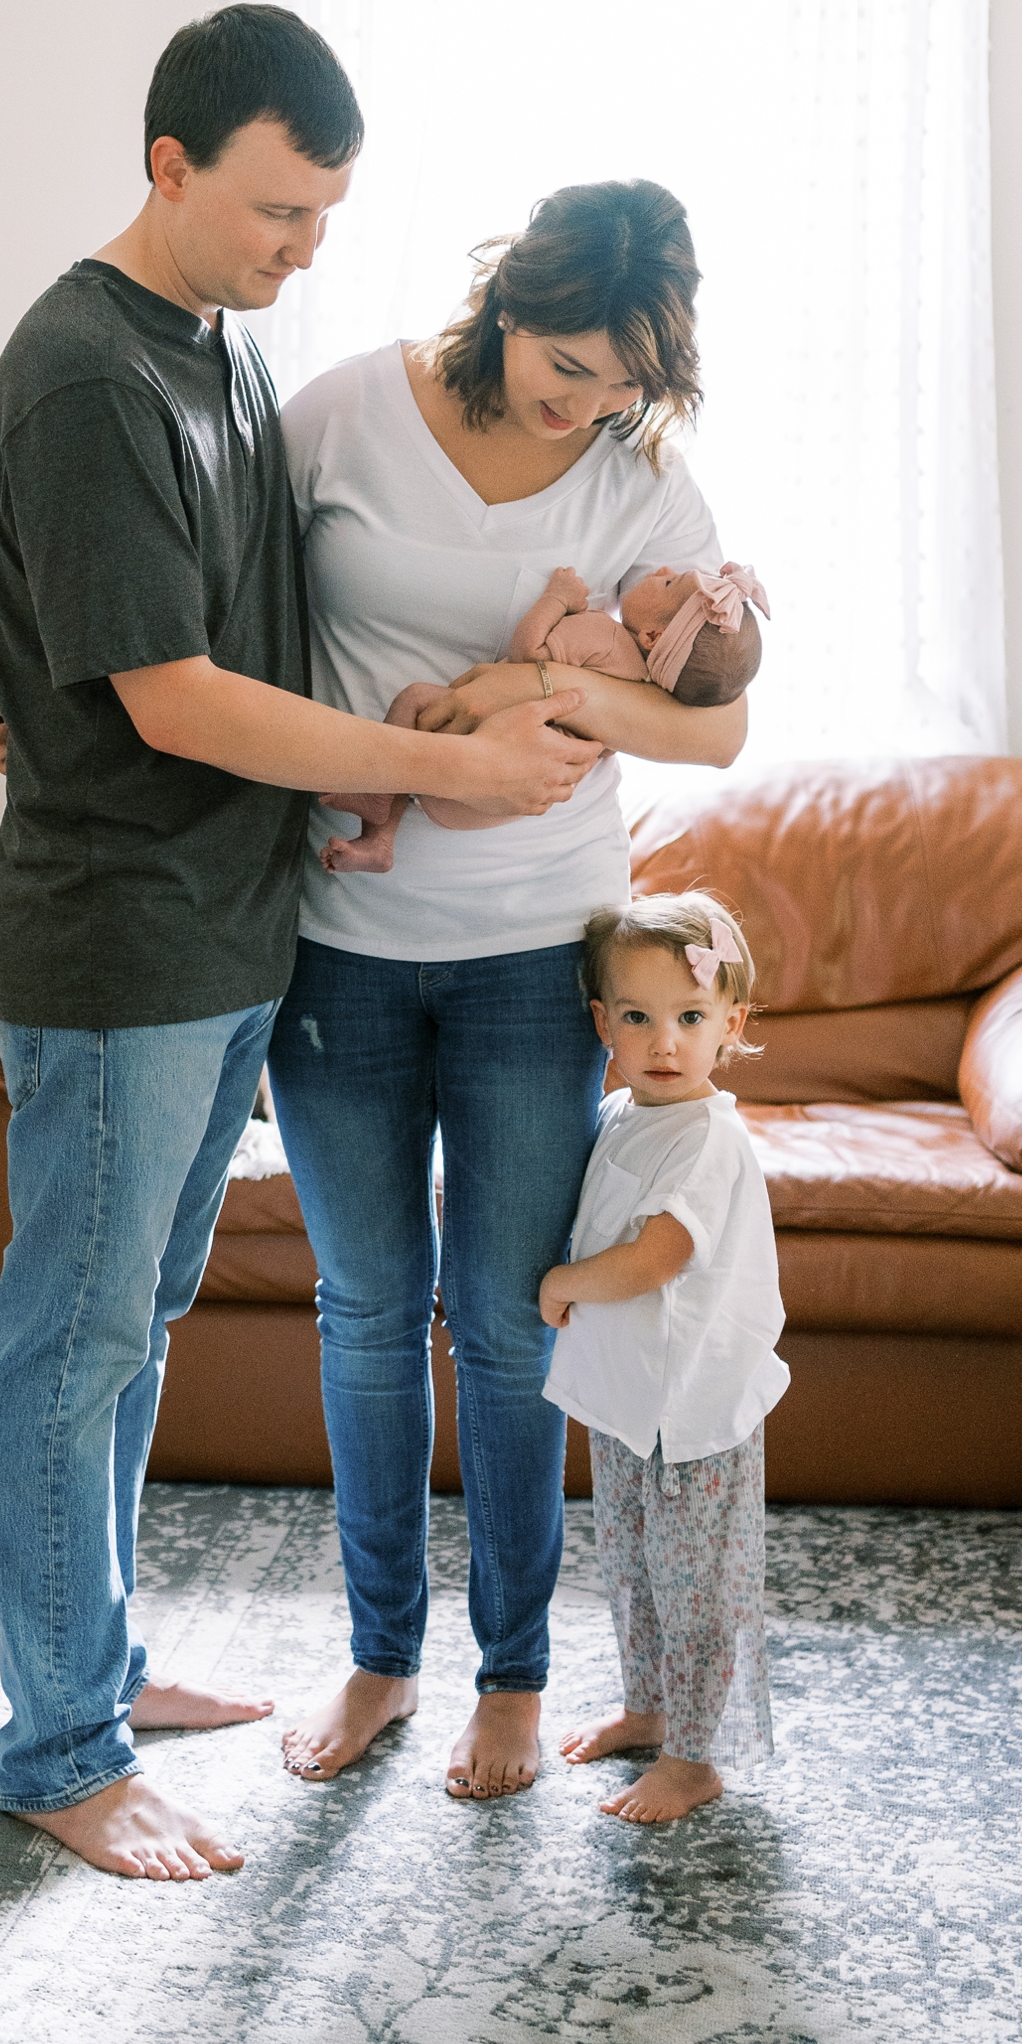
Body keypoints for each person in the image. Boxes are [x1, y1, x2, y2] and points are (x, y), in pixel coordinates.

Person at [0, 4, 600, 1884]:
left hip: (233, 929)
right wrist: (438, 766)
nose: (302, 248)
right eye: (273, 209)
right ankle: (61, 1746)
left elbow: (213, 641)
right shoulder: (89, 373)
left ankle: (98, 1665)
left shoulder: (218, 354)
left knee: (131, 1327)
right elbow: (169, 699)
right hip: (121, 941)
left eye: (326, 213)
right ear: (167, 164)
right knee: (70, 1346)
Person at [263, 178, 749, 1803]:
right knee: (361, 1315)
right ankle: (380, 1654)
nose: (587, 399)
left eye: (622, 379)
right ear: (505, 301)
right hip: (337, 946)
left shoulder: (638, 487)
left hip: (538, 959)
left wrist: (538, 682)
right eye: (569, 360)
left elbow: (711, 728)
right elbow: (215, 626)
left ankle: (516, 1677)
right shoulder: (340, 416)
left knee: (505, 1325)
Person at [542, 891, 789, 1825]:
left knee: (697, 1591)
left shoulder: (707, 1137)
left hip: (694, 1412)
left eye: (690, 1018)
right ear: (604, 1022)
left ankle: (695, 1756)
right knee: (637, 1568)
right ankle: (647, 1706)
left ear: (731, 1024)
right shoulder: (621, 1112)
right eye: (639, 1018)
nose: (666, 1041)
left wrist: (563, 1281)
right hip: (632, 1404)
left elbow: (658, 1256)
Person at [317, 558, 770, 874]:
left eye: (669, 585)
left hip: (475, 753)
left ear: (653, 634)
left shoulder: (602, 635)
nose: (664, 572)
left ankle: (376, 797)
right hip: (514, 799)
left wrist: (556, 598)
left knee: (416, 697)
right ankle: (378, 845)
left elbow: (528, 652)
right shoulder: (648, 687)